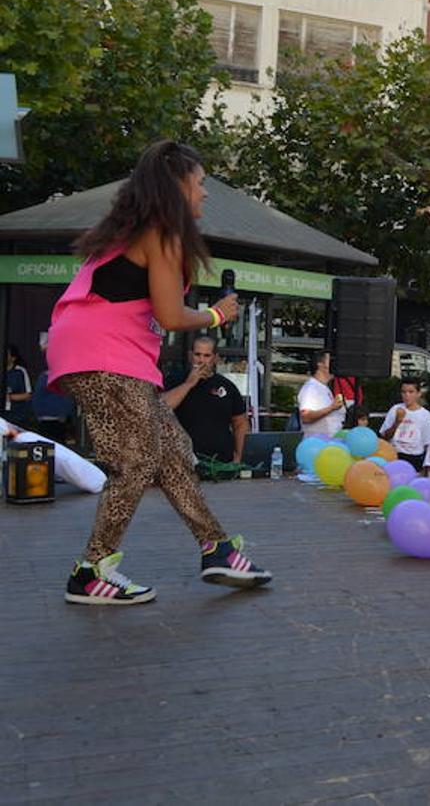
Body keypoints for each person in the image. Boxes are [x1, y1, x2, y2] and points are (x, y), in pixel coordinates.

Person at [47, 140, 269, 604]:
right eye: (201, 184)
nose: (205, 194)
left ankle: (218, 549)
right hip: (103, 356)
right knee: (137, 461)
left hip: (97, 354)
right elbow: (170, 316)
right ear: (177, 185)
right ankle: (90, 571)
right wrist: (216, 316)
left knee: (173, 452)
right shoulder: (162, 232)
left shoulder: (134, 231)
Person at [161, 334, 247, 465]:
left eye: (207, 356)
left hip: (221, 463)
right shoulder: (175, 380)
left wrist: (238, 456)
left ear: (215, 358)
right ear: (190, 356)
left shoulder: (227, 386)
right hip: (182, 463)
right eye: (197, 355)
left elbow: (240, 423)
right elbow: (161, 408)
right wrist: (188, 384)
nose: (201, 360)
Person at [379, 378, 430, 470]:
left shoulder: (425, 415)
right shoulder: (395, 409)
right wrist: (397, 422)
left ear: (418, 394)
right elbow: (385, 436)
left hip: (414, 457)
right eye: (404, 392)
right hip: (395, 454)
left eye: (411, 392)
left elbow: (429, 443)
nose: (407, 395)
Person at [297, 351, 345, 439]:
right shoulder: (311, 388)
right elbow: (306, 416)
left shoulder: (324, 388)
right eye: (330, 360)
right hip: (317, 446)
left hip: (329, 445)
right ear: (320, 364)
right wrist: (332, 408)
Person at [4, 343, 33, 425]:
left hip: (16, 416)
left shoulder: (20, 371)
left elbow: (28, 394)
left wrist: (9, 397)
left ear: (13, 358)